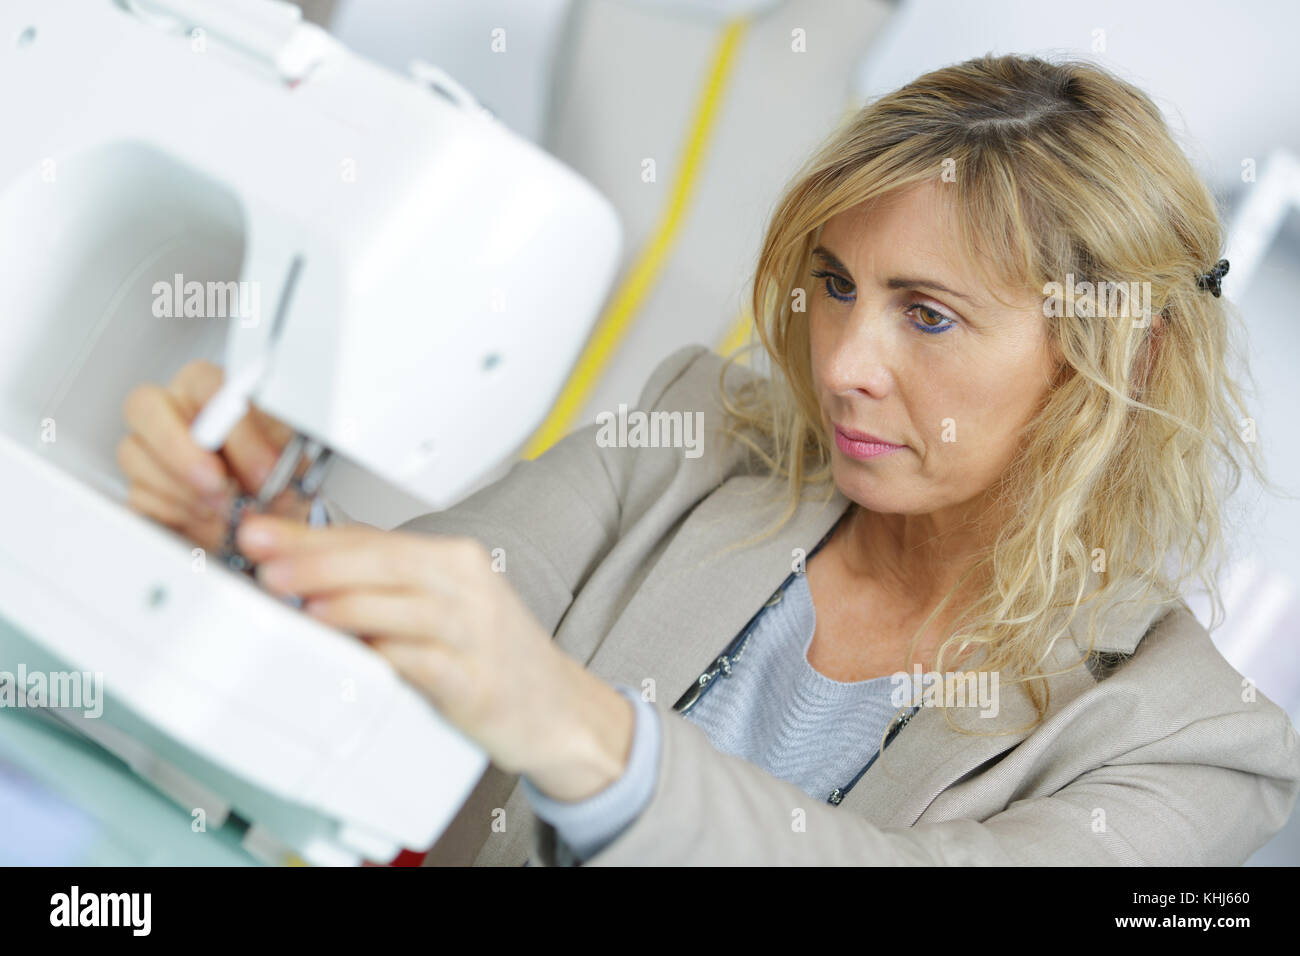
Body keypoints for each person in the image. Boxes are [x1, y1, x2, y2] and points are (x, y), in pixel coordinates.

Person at [118, 53, 1300, 866]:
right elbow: (433, 619)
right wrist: (273, 542)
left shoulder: (1195, 737)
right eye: (835, 285)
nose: (841, 362)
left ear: (1118, 361)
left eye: (926, 314)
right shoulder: (697, 438)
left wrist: (588, 734)